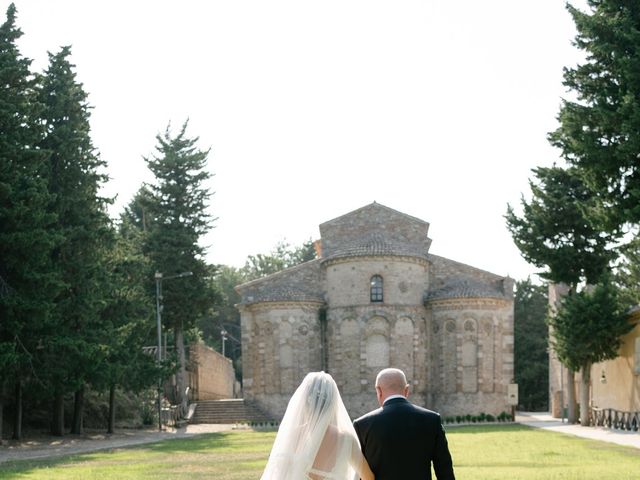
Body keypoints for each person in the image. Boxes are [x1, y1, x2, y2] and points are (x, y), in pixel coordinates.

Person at [261, 371, 374, 480]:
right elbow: (368, 477)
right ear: (333, 404)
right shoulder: (346, 439)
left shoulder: (291, 436)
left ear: (303, 402)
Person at [353, 368, 455, 480]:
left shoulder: (362, 425)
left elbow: (358, 473)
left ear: (379, 391)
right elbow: (445, 471)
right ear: (407, 390)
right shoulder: (432, 419)